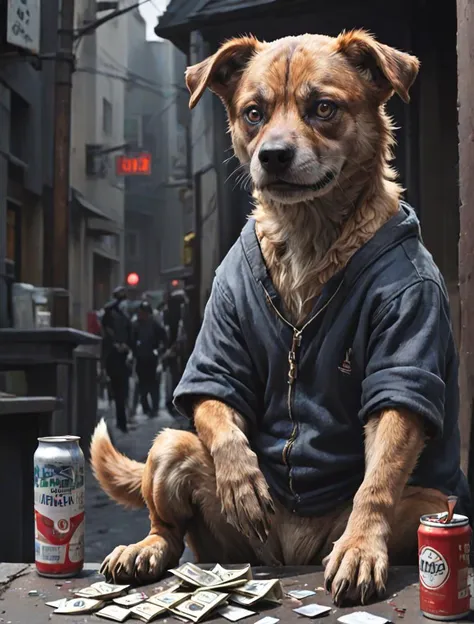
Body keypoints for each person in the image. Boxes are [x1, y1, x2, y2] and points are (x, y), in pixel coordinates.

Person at [100, 286, 132, 433]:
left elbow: (131, 336)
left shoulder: (124, 315)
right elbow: (107, 336)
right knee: (117, 392)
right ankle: (120, 421)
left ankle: (122, 421)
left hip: (121, 359)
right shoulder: (111, 313)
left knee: (121, 392)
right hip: (114, 359)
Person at [131, 300, 167, 417]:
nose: (142, 315)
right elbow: (131, 340)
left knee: (153, 385)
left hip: (152, 360)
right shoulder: (136, 325)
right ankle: (145, 407)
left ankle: (154, 408)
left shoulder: (154, 325)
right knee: (142, 386)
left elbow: (164, 338)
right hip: (141, 359)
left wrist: (159, 351)